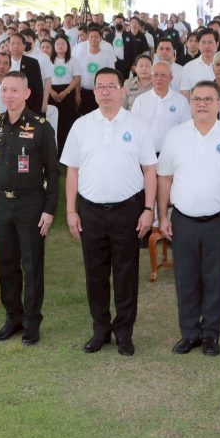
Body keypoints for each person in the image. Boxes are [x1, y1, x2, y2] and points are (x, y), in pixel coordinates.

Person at [61, 68, 157, 357]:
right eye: (100, 87)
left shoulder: (137, 125)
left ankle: (124, 331)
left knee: (126, 274)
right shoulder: (81, 126)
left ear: (121, 90)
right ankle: (100, 329)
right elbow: (72, 171)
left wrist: (148, 209)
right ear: (94, 92)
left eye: (111, 86)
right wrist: (71, 211)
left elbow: (150, 170)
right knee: (95, 274)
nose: (105, 91)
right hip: (90, 211)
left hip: (128, 211)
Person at [157, 80, 220, 356]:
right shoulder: (175, 136)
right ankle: (189, 334)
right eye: (197, 99)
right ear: (191, 103)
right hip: (183, 220)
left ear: (219, 103)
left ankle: (210, 335)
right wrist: (163, 216)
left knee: (215, 280)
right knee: (185, 280)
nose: (202, 104)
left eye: (209, 99)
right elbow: (165, 178)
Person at [0, 72, 59, 346]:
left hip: (31, 205)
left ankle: (31, 322)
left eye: (14, 90)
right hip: (1, 205)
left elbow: (53, 172)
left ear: (27, 94)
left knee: (31, 265)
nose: (8, 95)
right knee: (6, 265)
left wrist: (49, 209)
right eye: (5, 90)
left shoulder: (41, 127)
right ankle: (12, 319)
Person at [130, 62, 190, 155]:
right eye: (155, 75)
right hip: (146, 153)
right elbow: (133, 129)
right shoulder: (140, 101)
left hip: (173, 153)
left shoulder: (181, 101)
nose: (159, 78)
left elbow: (187, 130)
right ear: (151, 77)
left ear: (171, 78)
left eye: (163, 75)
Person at [48, 35, 80, 155]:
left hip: (68, 92)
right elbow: (45, 79)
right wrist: (52, 92)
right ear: (54, 46)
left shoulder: (73, 60)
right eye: (58, 44)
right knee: (52, 123)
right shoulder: (48, 60)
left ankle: (65, 153)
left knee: (66, 123)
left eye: (63, 44)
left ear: (68, 46)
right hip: (51, 92)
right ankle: (53, 152)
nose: (60, 46)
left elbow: (77, 78)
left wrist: (65, 92)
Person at [72, 29, 115, 116]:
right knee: (85, 117)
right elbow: (77, 76)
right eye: (91, 37)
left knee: (102, 117)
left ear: (101, 39)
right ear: (88, 39)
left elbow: (112, 75)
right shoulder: (81, 55)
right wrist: (77, 94)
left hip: (102, 92)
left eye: (96, 37)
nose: (93, 39)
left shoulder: (107, 54)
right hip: (85, 92)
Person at [4, 33, 46, 115]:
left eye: (19, 43)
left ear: (24, 46)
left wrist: (36, 112)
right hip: (4, 106)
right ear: (8, 45)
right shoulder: (3, 62)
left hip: (28, 107)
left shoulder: (32, 63)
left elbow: (38, 89)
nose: (15, 46)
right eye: (13, 43)